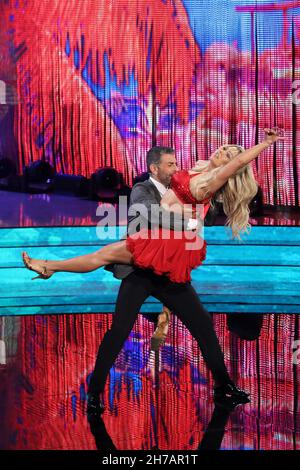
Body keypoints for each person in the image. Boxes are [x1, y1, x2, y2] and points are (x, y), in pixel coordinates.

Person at [22, 129, 283, 413]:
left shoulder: (210, 182)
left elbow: (233, 167)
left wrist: (265, 144)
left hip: (167, 253)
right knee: (119, 328)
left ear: (232, 168)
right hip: (154, 257)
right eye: (224, 148)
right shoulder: (194, 172)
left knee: (202, 327)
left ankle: (224, 387)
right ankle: (94, 391)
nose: (223, 152)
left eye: (230, 155)